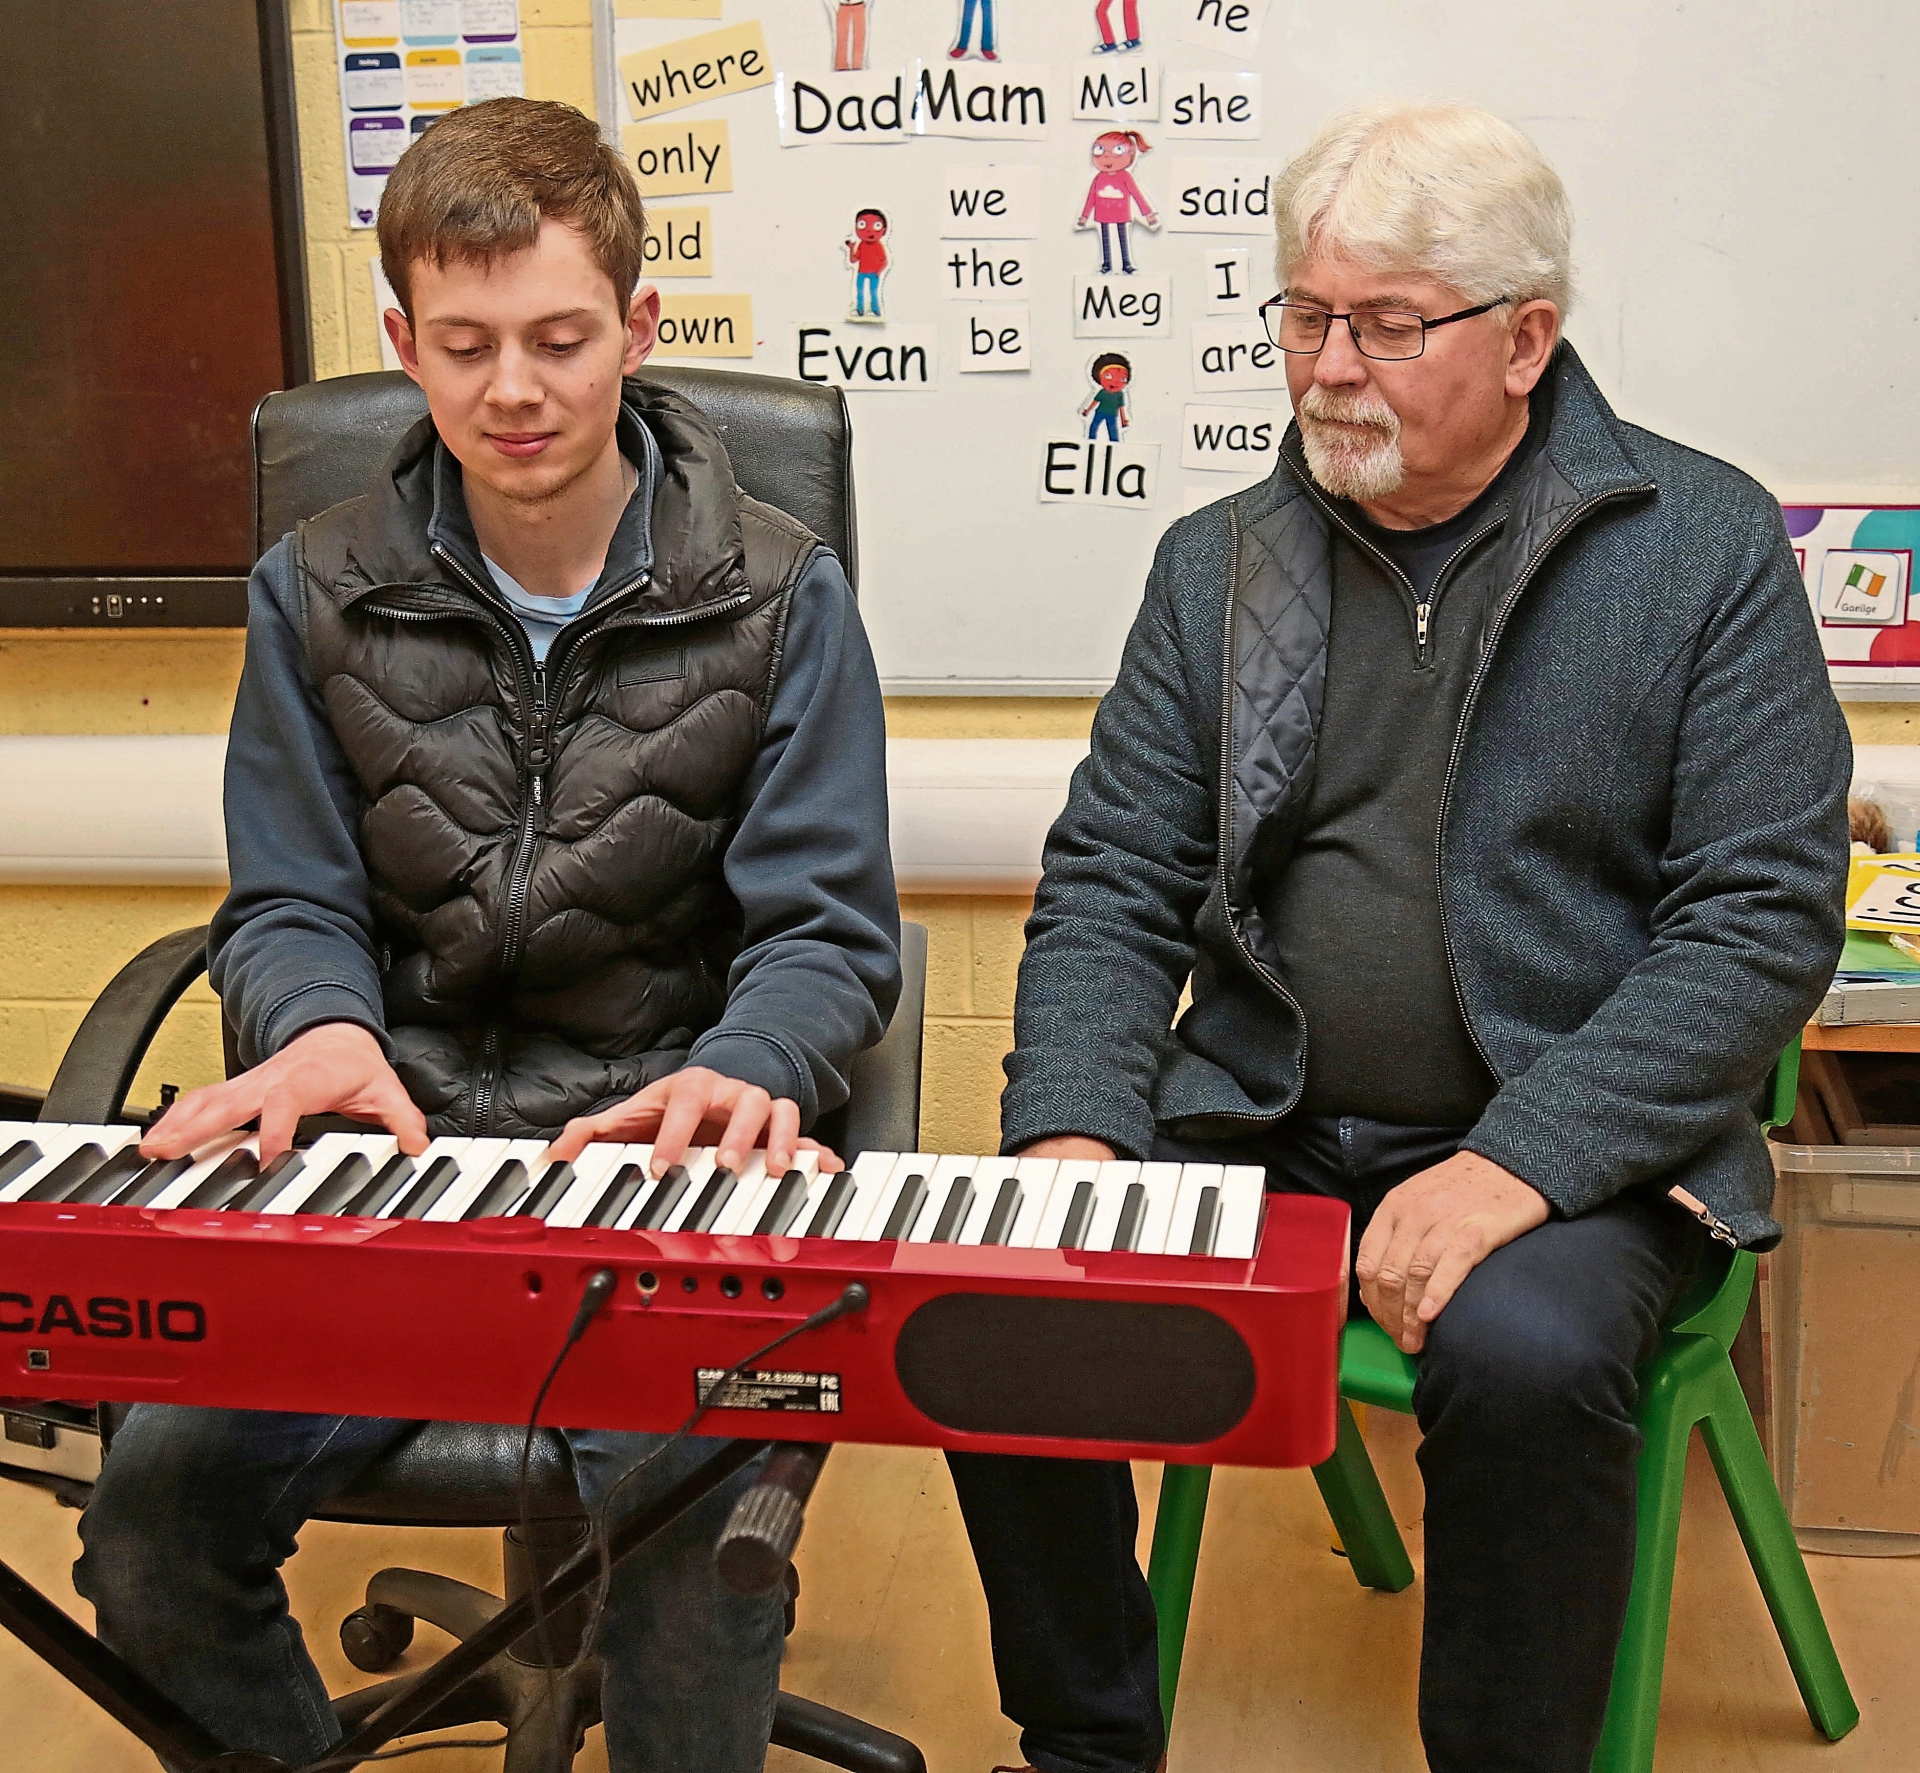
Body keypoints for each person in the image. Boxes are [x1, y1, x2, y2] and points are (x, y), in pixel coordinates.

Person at [954, 102, 1849, 1773]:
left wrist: (1520, 1159)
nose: (1326, 367)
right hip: (1263, 1116)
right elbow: (1113, 877)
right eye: (1305, 314)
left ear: (1526, 340)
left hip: (1570, 1146)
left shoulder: (1701, 549)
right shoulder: (1222, 567)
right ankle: (1087, 1743)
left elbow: (1759, 921)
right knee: (1003, 1295)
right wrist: (1073, 1128)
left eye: (1384, 323)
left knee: (1524, 1358)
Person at [74, 96, 900, 1773]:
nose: (513, 388)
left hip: (651, 1173)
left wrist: (750, 1063)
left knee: (693, 1565)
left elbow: (825, 928)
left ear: (638, 329)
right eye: (464, 346)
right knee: (149, 1531)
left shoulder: (780, 590)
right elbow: (291, 899)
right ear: (405, 344)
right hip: (391, 1163)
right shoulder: (312, 586)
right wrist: (319, 1025)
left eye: (559, 340)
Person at [1075, 130, 1158, 276]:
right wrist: (1084, 216)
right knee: (1105, 240)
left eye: (1117, 150)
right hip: (1103, 214)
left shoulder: (1125, 176)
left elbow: (1137, 195)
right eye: (1100, 150)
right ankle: (1106, 264)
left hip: (1121, 214)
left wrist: (1148, 214)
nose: (1107, 157)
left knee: (1123, 238)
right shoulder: (1099, 178)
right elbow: (1091, 198)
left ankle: (1126, 264)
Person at [847, 207, 890, 321]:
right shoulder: (861, 245)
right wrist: (851, 249)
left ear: (884, 230)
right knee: (860, 291)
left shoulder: (878, 246)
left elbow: (884, 261)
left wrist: (878, 271)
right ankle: (860, 309)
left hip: (874, 273)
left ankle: (875, 309)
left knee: (873, 292)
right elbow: (854, 260)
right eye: (862, 225)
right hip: (861, 272)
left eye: (876, 226)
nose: (869, 231)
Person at [1080, 353, 1132, 442]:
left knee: (1113, 430)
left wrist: (1123, 419)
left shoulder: (1119, 394)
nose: (1115, 382)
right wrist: (1087, 411)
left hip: (1112, 415)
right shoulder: (1103, 392)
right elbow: (1095, 402)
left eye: (1122, 379)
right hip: (1100, 412)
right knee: (1094, 426)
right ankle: (1091, 440)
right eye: (1108, 376)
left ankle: (1115, 444)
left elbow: (1121, 407)